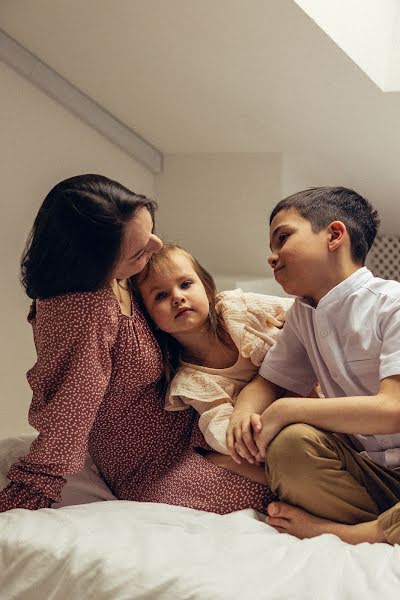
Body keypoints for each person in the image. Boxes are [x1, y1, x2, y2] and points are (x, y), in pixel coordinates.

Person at [0, 174, 272, 514]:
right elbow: (68, 414)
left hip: (200, 425)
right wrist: (29, 493)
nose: (157, 246)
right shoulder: (85, 312)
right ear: (97, 262)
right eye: (140, 251)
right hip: (156, 466)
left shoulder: (120, 277)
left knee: (311, 454)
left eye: (150, 232)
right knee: (289, 487)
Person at [228, 186, 400, 545]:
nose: (272, 258)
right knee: (291, 446)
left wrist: (288, 409)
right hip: (371, 476)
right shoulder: (303, 317)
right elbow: (268, 382)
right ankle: (386, 527)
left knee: (289, 425)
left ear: (334, 235)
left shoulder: (391, 303)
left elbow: (394, 410)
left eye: (283, 238)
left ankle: (346, 532)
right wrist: (244, 412)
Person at [135, 243, 293, 478]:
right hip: (283, 428)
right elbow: (223, 433)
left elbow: (300, 312)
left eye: (186, 284)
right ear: (151, 319)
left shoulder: (237, 308)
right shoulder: (192, 381)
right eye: (161, 295)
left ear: (207, 289)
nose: (178, 297)